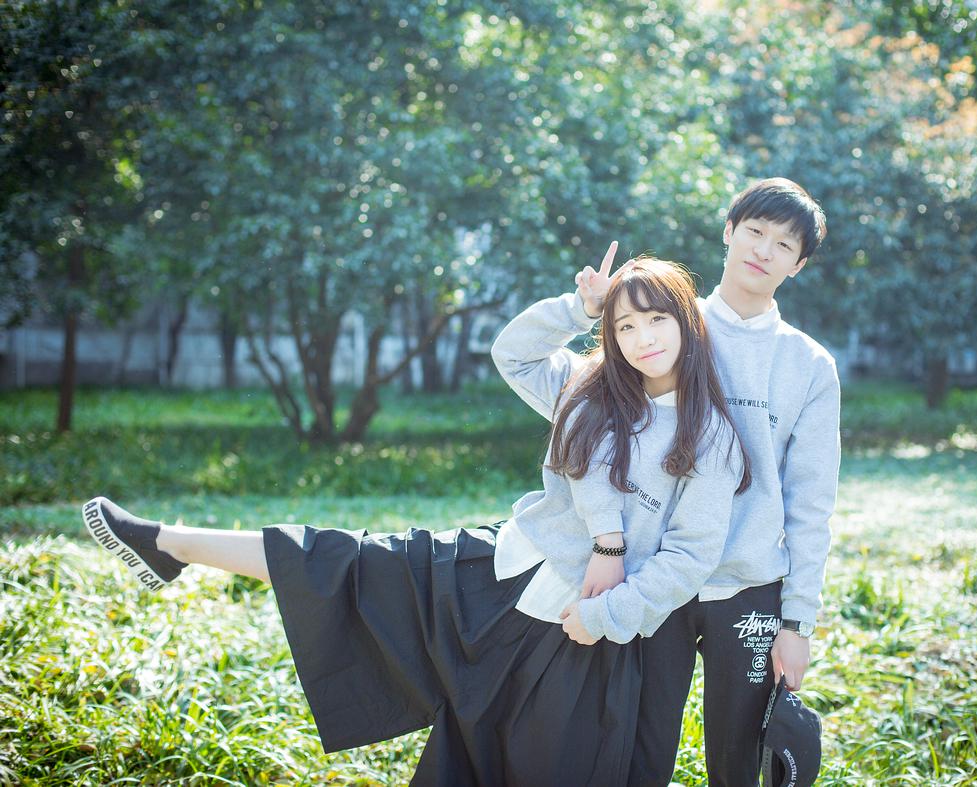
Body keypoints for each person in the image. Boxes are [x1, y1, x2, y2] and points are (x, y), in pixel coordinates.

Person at [82, 250, 750, 786]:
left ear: (685, 321)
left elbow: (690, 557)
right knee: (343, 562)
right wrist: (580, 307)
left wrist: (608, 614)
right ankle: (168, 543)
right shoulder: (589, 388)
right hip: (490, 575)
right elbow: (513, 353)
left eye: (655, 320)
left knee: (513, 763)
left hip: (574, 631)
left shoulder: (709, 436)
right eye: (625, 326)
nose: (641, 338)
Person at [629, 177, 841, 786]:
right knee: (638, 752)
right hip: (655, 575)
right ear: (728, 232)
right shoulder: (666, 329)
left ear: (798, 265)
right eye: (755, 231)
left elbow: (811, 503)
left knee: (738, 764)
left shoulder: (809, 365)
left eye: (784, 244)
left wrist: (797, 624)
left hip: (750, 586)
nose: (763, 250)